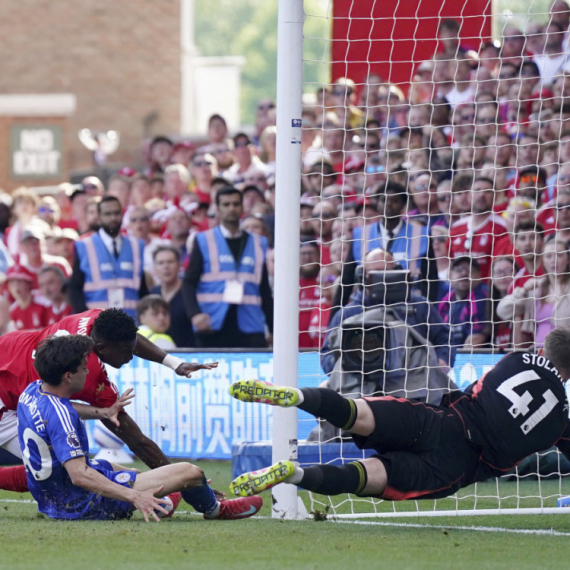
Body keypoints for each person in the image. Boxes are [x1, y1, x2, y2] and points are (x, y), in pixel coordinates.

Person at [228, 327, 570, 503]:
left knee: (353, 412)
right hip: (455, 467)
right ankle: (294, 475)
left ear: (542, 350)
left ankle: (296, 395)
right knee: (363, 477)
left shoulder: (516, 360)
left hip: (439, 423)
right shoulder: (561, 421)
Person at [18, 334, 262, 521]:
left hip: (51, 498)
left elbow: (62, 410)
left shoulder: (33, 391)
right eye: (84, 367)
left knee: (120, 469)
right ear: (68, 376)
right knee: (190, 473)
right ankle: (214, 510)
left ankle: (167, 500)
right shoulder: (60, 416)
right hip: (80, 504)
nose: (88, 371)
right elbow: (79, 475)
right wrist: (135, 497)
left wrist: (102, 412)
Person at [182, 186, 273, 348]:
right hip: (212, 323)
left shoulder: (258, 243)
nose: (231, 208)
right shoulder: (203, 240)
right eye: (226, 204)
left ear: (242, 207)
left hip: (250, 325)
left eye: (236, 204)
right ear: (217, 209)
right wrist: (194, 314)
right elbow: (189, 282)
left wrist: (272, 327)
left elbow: (264, 288)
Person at [68, 196, 148, 320]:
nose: (113, 218)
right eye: (107, 214)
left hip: (130, 321)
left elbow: (142, 288)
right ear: (99, 217)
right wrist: (86, 318)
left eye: (116, 213)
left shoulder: (136, 246)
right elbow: (75, 288)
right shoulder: (84, 246)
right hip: (97, 323)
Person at [150, 245, 195, 348]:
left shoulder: (190, 292)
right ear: (154, 268)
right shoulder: (152, 294)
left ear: (179, 266)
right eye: (160, 263)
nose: (165, 267)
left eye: (170, 262)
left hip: (188, 352)